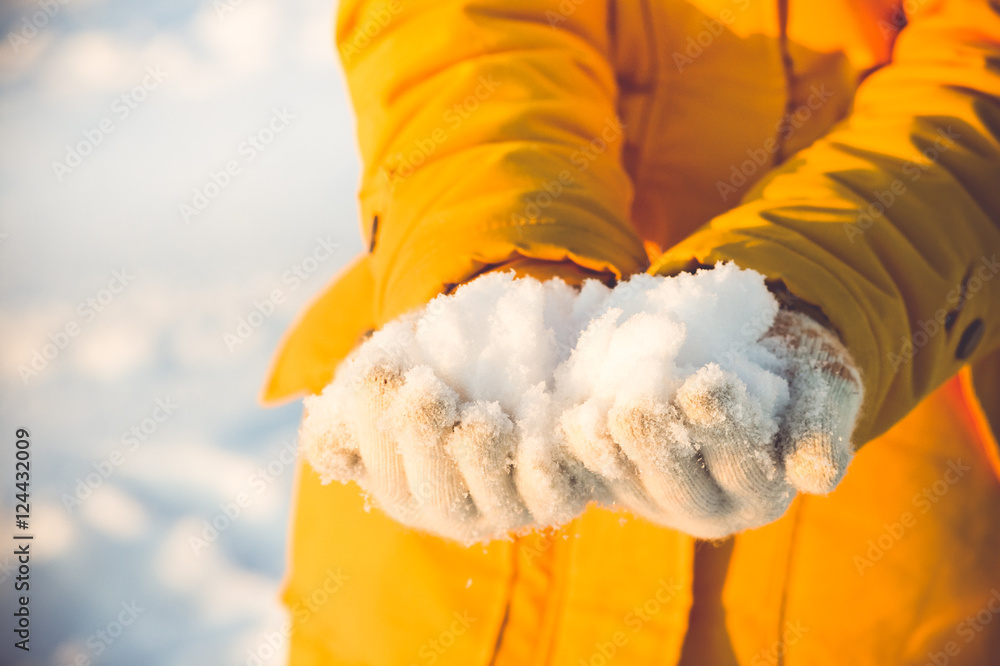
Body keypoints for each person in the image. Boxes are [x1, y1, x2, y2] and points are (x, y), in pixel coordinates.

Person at [261, 0, 1000, 663]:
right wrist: (506, 267)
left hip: (871, 535)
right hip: (437, 586)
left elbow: (982, 67)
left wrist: (808, 289)